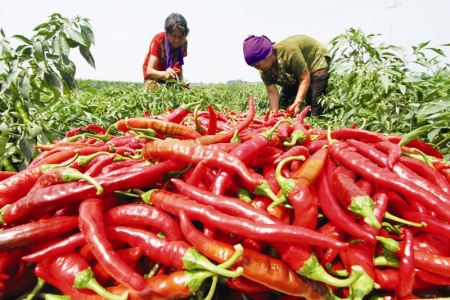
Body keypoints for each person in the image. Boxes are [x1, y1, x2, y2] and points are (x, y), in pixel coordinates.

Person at [243, 34, 331, 116]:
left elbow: (304, 77)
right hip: (296, 69)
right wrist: (274, 113)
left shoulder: (288, 52)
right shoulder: (263, 71)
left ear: (267, 54)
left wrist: (298, 101)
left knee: (313, 104)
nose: (256, 68)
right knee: (284, 102)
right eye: (252, 66)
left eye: (257, 64)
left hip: (316, 59)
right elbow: (272, 93)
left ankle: (316, 124)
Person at [142, 13, 189, 91]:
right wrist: (164, 74)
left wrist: (182, 84)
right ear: (167, 33)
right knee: (154, 91)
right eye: (174, 36)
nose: (177, 40)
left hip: (170, 77)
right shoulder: (158, 40)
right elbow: (149, 71)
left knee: (178, 95)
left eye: (180, 36)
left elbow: (179, 65)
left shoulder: (183, 42)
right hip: (154, 77)